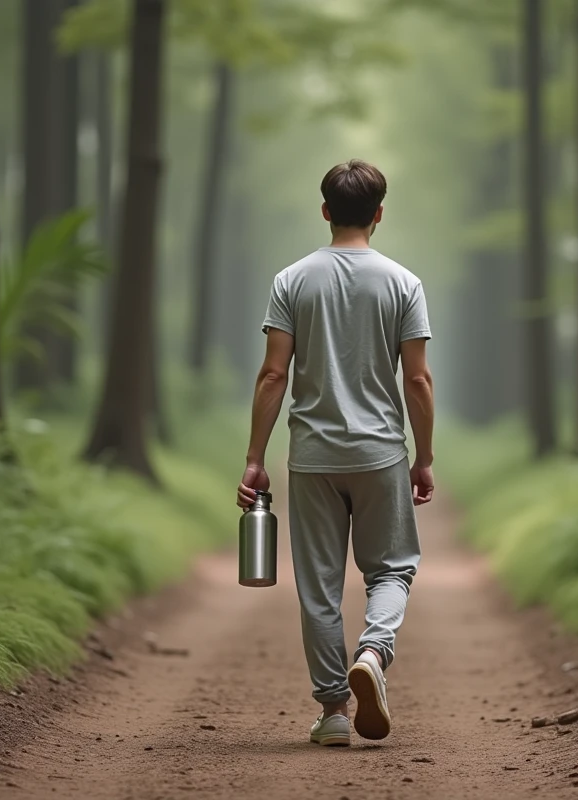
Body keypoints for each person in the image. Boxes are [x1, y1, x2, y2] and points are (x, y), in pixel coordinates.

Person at [236, 159, 435, 748]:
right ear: (378, 214)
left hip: (313, 456)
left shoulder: (291, 280)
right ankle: (373, 652)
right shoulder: (403, 283)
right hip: (379, 454)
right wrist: (423, 457)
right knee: (392, 568)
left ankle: (333, 713)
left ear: (325, 211)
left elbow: (274, 374)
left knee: (319, 584)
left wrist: (254, 456)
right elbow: (418, 382)